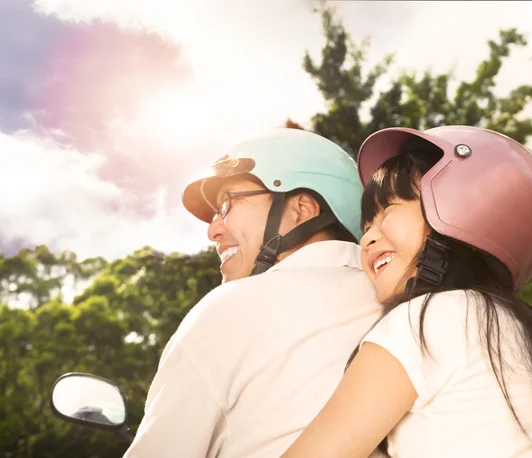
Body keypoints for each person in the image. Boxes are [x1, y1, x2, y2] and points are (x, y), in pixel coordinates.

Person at [282, 125, 532, 458]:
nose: (366, 239)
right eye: (365, 227)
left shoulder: (425, 320)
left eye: (387, 211)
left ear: (456, 205)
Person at [123, 128, 385, 457]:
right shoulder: (403, 305)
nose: (213, 230)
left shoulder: (229, 310)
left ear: (302, 209)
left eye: (227, 204)